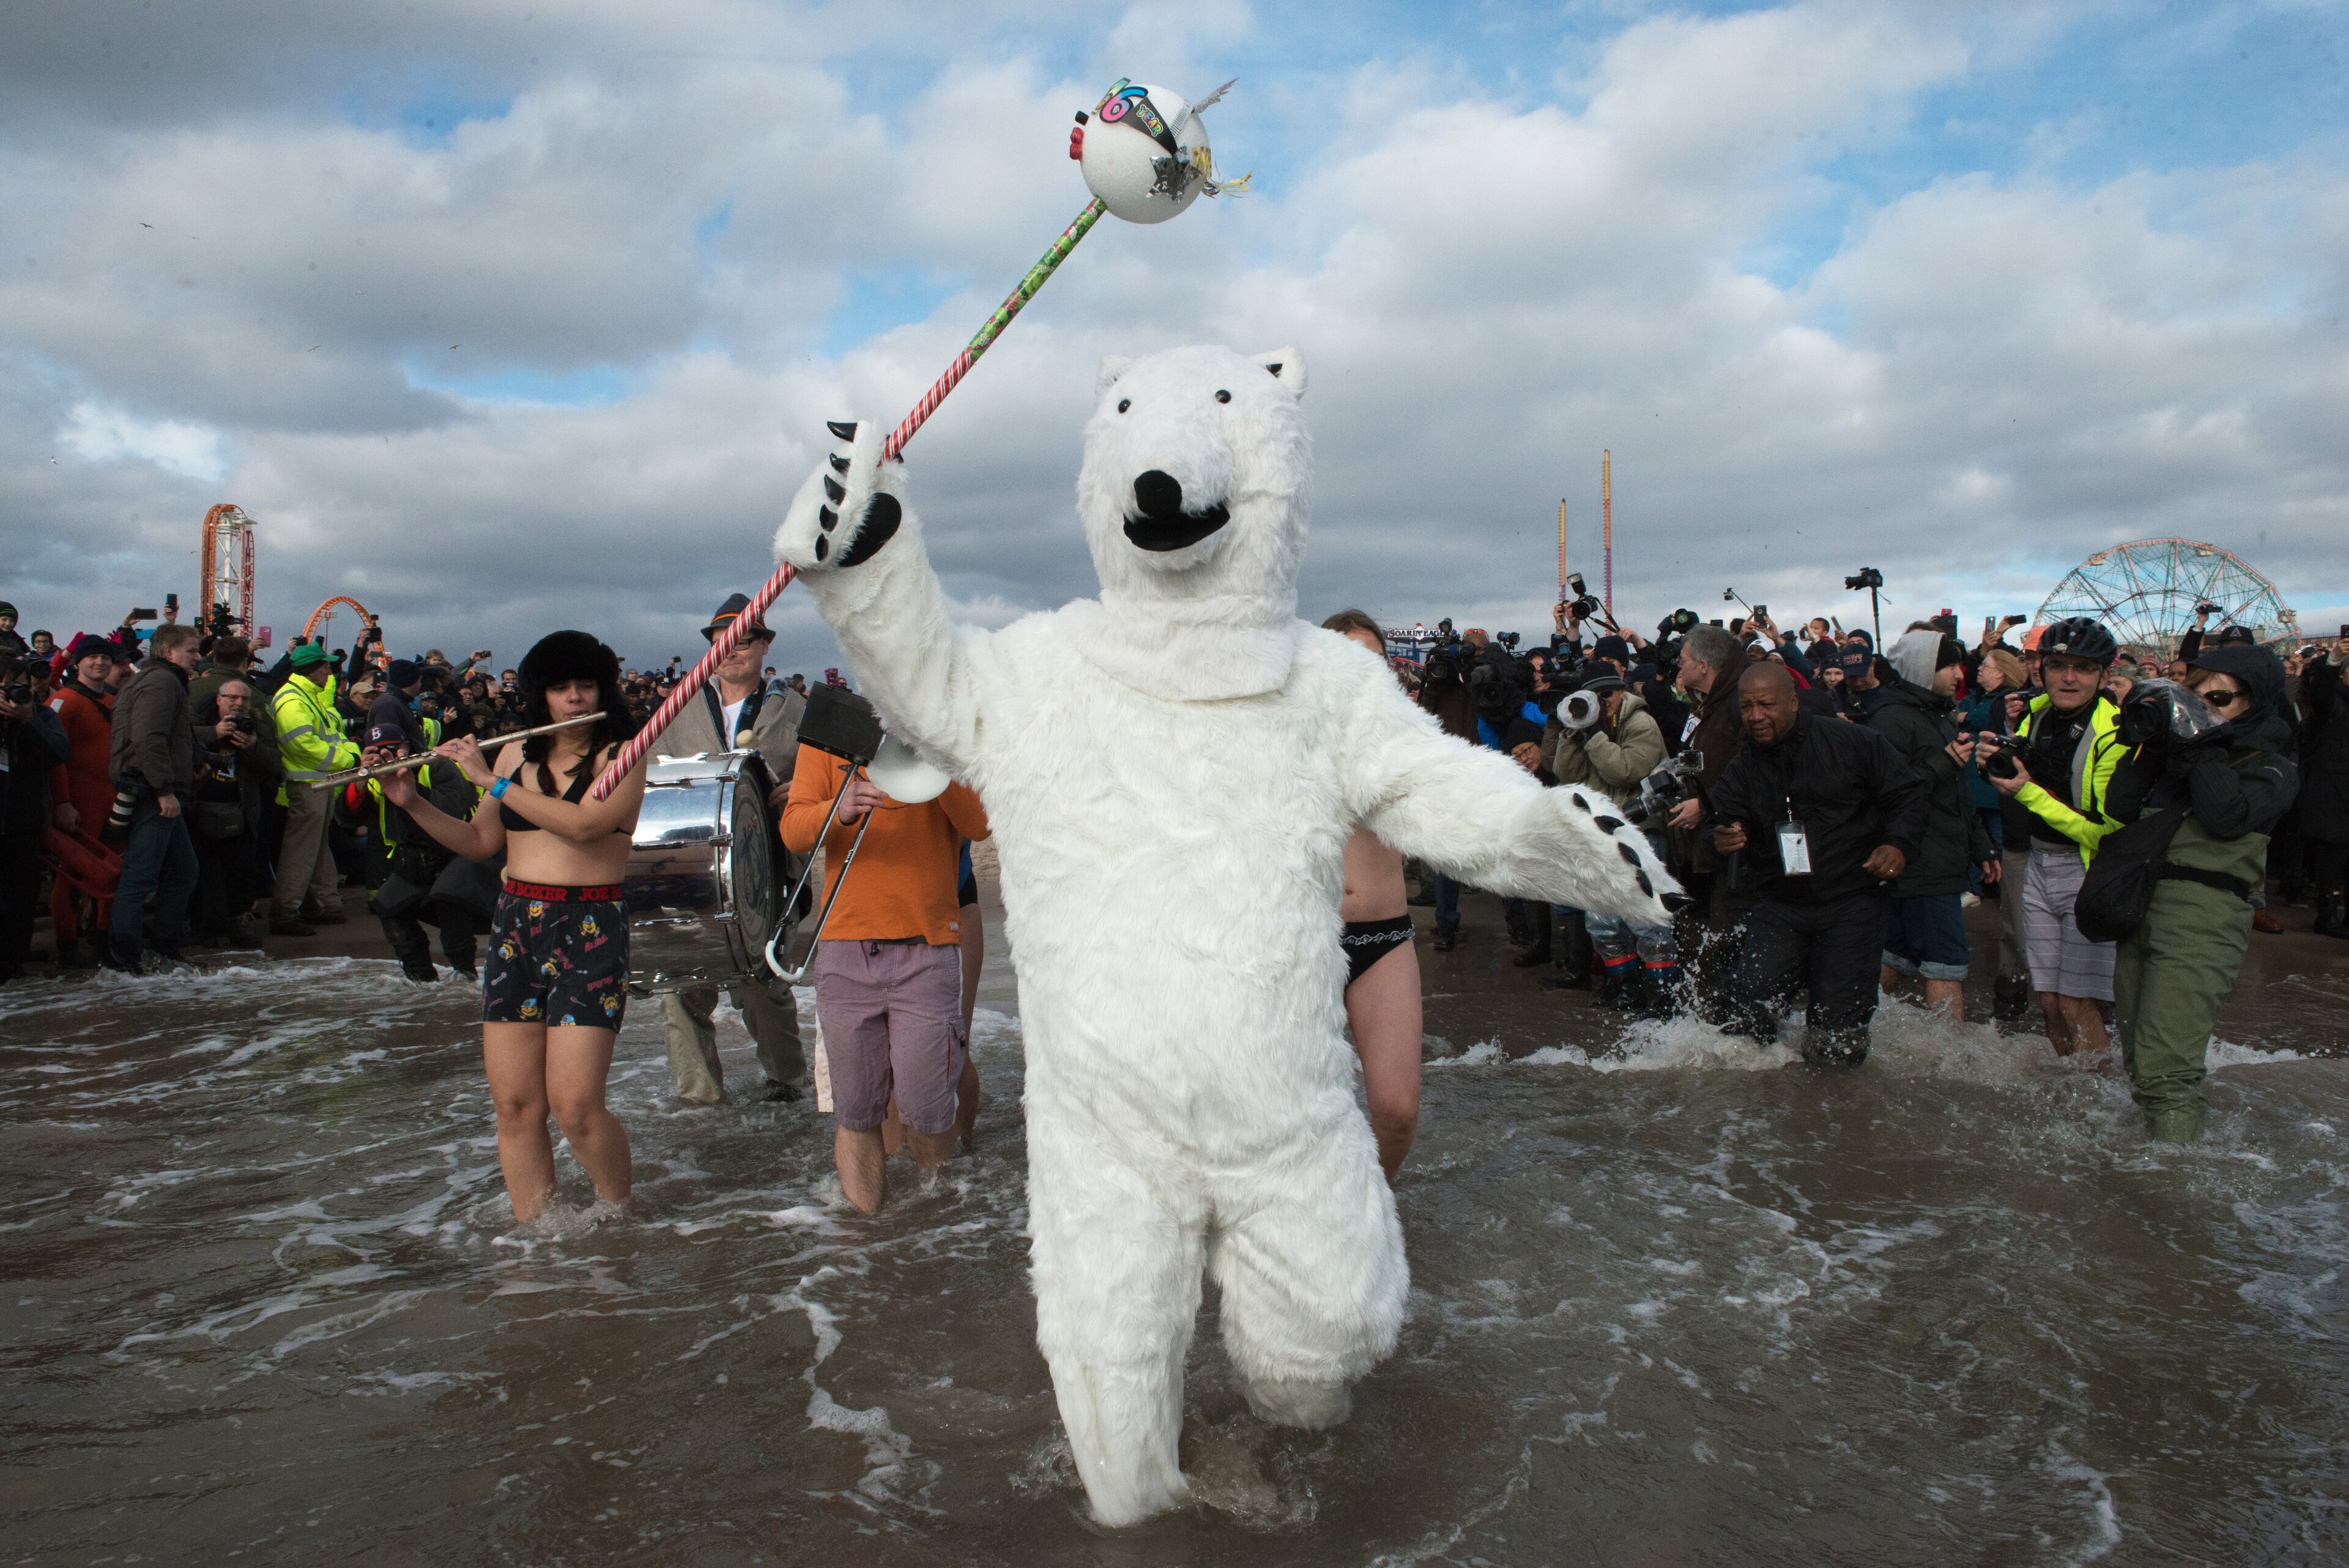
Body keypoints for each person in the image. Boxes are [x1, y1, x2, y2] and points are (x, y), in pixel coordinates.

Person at [387, 631, 648, 1223]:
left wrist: (492, 783)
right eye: (562, 688)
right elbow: (481, 841)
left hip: (591, 924)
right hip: (516, 925)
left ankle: (619, 1222)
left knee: (578, 1105)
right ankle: (538, 1238)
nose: (577, 699)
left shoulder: (624, 753)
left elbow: (585, 826)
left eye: (587, 686)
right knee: (515, 1104)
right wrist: (411, 802)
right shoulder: (512, 754)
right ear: (542, 695)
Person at [782, 721, 989, 1214]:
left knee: (929, 1109)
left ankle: (934, 1227)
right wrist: (840, 809)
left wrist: (936, 749)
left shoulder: (943, 732)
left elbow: (980, 825)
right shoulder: (825, 732)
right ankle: (867, 1236)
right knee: (855, 1112)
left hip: (929, 944)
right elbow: (793, 831)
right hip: (843, 944)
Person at [2103, 646, 2299, 1142]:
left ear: (2255, 701)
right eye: (2193, 694)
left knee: (2166, 1071)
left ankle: (2173, 1192)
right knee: (2138, 1061)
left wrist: (2202, 743)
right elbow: (2121, 804)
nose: (2201, 707)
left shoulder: (2273, 764)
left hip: (2205, 915)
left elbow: (2224, 814)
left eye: (2218, 697)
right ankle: (2160, 1160)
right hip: (2143, 905)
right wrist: (2145, 743)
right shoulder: (2178, 753)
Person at [1705, 664, 1927, 1064]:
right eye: (1747, 706)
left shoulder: (1852, 742)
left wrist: (1897, 845)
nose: (1756, 716)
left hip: (1852, 900)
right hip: (1780, 903)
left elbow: (1908, 793)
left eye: (1766, 705)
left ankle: (1836, 1114)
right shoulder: (1743, 766)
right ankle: (1759, 1116)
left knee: (1838, 1031)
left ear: (1792, 701)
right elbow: (1716, 825)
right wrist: (1721, 839)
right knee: (1746, 1015)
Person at [656, 594, 811, 1105]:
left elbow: (826, 769)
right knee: (679, 984)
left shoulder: (794, 707)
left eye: (745, 641)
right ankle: (699, 1098)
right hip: (689, 865)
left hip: (764, 863)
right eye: (723, 641)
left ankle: (788, 1083)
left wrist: (804, 786)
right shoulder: (675, 710)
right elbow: (653, 780)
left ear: (764, 645)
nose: (732, 651)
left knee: (762, 981)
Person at [1981, 617, 2124, 1060]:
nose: (2068, 677)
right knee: (2047, 1001)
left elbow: (2105, 831)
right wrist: (1997, 758)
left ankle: (2100, 1103)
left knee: (2075, 1001)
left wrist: (2025, 791)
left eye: (2083, 668)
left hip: (2089, 871)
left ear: (2104, 674)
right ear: (2041, 668)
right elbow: (2023, 774)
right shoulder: (2036, 714)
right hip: (2038, 865)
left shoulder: (2115, 731)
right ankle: (2071, 1094)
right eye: (2058, 664)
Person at [1324, 611, 1420, 1182]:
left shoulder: (1408, 735)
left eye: (1376, 660)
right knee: (1287, 1110)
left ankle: (1369, 1207)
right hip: (1302, 941)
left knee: (1397, 1111)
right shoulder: (1284, 732)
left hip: (1382, 939)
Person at [1868, 631, 1998, 1022]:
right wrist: (1944, 763)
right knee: (1946, 963)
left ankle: (1850, 1018)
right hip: (1921, 860)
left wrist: (1982, 847)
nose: (1961, 674)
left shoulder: (1936, 712)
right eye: (1951, 666)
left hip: (1938, 856)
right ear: (1926, 669)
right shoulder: (1891, 718)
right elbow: (1884, 791)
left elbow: (1955, 793)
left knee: (1898, 955)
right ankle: (1950, 1062)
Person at [1546, 669, 1679, 1013]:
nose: (1600, 703)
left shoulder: (1641, 723)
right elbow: (1566, 775)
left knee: (1646, 917)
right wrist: (1572, 733)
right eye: (1594, 696)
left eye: (1607, 695)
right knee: (1602, 920)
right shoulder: (1593, 728)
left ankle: (1662, 993)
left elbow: (1625, 770)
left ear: (1623, 692)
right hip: (1598, 834)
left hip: (1638, 831)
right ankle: (1623, 985)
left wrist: (1593, 736)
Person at [343, 723, 481, 981]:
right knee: (388, 906)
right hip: (416, 859)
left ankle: (466, 980)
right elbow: (347, 818)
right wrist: (360, 783)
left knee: (449, 904)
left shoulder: (435, 765)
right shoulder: (376, 776)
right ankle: (421, 981)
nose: (386, 757)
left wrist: (410, 790)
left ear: (407, 746)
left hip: (455, 853)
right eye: (377, 751)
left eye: (393, 750)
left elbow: (455, 807)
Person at [106, 625, 205, 973]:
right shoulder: (162, 683)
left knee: (183, 871)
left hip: (156, 789)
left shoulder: (154, 681)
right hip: (153, 792)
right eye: (192, 651)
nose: (198, 657)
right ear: (169, 653)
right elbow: (148, 738)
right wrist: (164, 789)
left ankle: (164, 950)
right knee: (140, 877)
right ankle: (125, 961)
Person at [270, 641, 359, 934]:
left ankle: (318, 904)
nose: (329, 671)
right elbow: (303, 744)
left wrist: (350, 754)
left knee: (315, 849)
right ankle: (286, 911)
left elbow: (330, 736)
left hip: (317, 783)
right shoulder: (294, 701)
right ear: (313, 670)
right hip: (307, 784)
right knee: (302, 851)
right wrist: (349, 759)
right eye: (325, 666)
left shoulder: (306, 698)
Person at [187, 678, 277, 948]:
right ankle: (205, 928)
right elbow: (183, 747)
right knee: (205, 874)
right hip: (200, 811)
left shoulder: (256, 729)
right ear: (218, 700)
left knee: (242, 873)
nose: (239, 704)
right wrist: (213, 734)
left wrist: (252, 747)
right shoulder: (198, 724)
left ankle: (237, 924)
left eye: (245, 700)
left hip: (241, 812)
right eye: (232, 698)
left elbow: (274, 766)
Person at [46, 635, 120, 968]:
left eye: (106, 658)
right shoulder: (64, 700)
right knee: (72, 876)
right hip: (78, 803)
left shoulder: (113, 699)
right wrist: (62, 802)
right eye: (92, 658)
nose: (100, 663)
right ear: (78, 663)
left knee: (114, 872)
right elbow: (51, 757)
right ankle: (68, 948)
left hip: (111, 801)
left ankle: (102, 941)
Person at [0, 654, 70, 980]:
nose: (16, 692)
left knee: (21, 899)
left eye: (23, 686)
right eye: (9, 687)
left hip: (24, 821)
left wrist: (28, 719)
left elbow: (57, 754)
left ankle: (14, 965)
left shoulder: (41, 715)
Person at [2301, 652, 2349, 939]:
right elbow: (2320, 695)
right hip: (2333, 797)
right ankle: (2327, 918)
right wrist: (2334, 659)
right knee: (2333, 860)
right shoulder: (2334, 703)